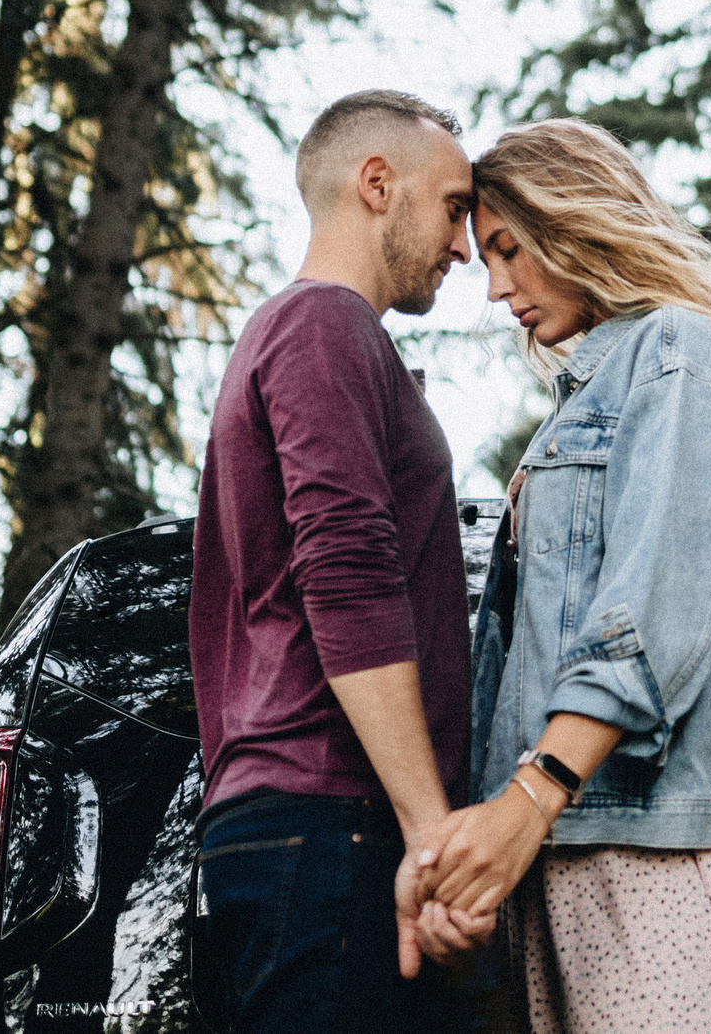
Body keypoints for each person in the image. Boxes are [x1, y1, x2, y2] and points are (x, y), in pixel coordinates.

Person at [408, 118, 711, 1034]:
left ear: (576, 223)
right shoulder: (590, 399)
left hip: (665, 856)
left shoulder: (677, 353)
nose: (497, 289)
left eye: (508, 249)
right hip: (586, 850)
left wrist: (528, 798)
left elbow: (650, 617)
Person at [189, 89, 490, 1034]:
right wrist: (431, 833)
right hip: (331, 832)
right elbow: (348, 576)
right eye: (453, 207)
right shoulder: (324, 326)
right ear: (376, 184)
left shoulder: (305, 335)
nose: (466, 246)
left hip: (309, 833)